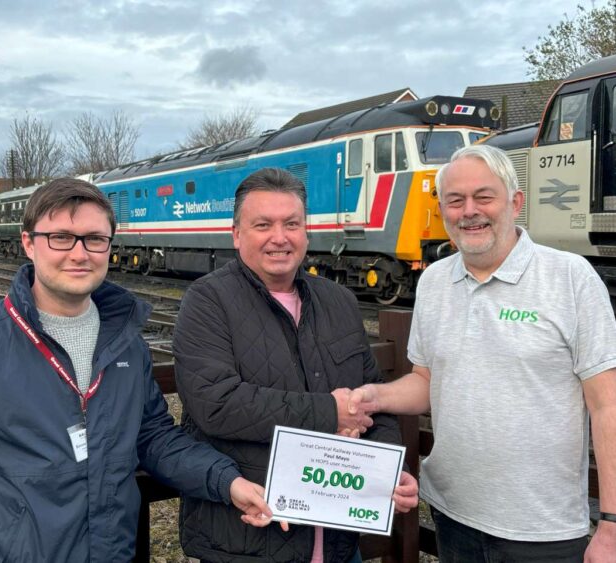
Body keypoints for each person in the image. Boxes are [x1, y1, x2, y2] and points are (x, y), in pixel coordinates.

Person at [0, 178, 277, 563]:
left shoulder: (126, 344)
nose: (79, 253)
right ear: (29, 243)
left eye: (94, 239)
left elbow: (152, 437)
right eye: (61, 237)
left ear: (109, 247)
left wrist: (226, 482)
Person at [348, 144, 616, 562]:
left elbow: (607, 405)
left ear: (515, 202)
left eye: (483, 197)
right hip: (453, 516)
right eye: (455, 200)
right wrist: (373, 397)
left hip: (542, 530)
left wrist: (612, 525)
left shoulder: (570, 278)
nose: (469, 211)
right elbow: (427, 382)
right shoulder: (434, 282)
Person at [172, 167, 419, 563]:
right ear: (237, 235)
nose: (280, 237)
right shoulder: (207, 301)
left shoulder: (337, 301)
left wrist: (386, 469)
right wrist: (329, 413)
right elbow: (216, 404)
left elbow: (371, 396)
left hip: (338, 539)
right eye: (263, 225)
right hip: (249, 541)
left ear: (306, 233)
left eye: (292, 223)